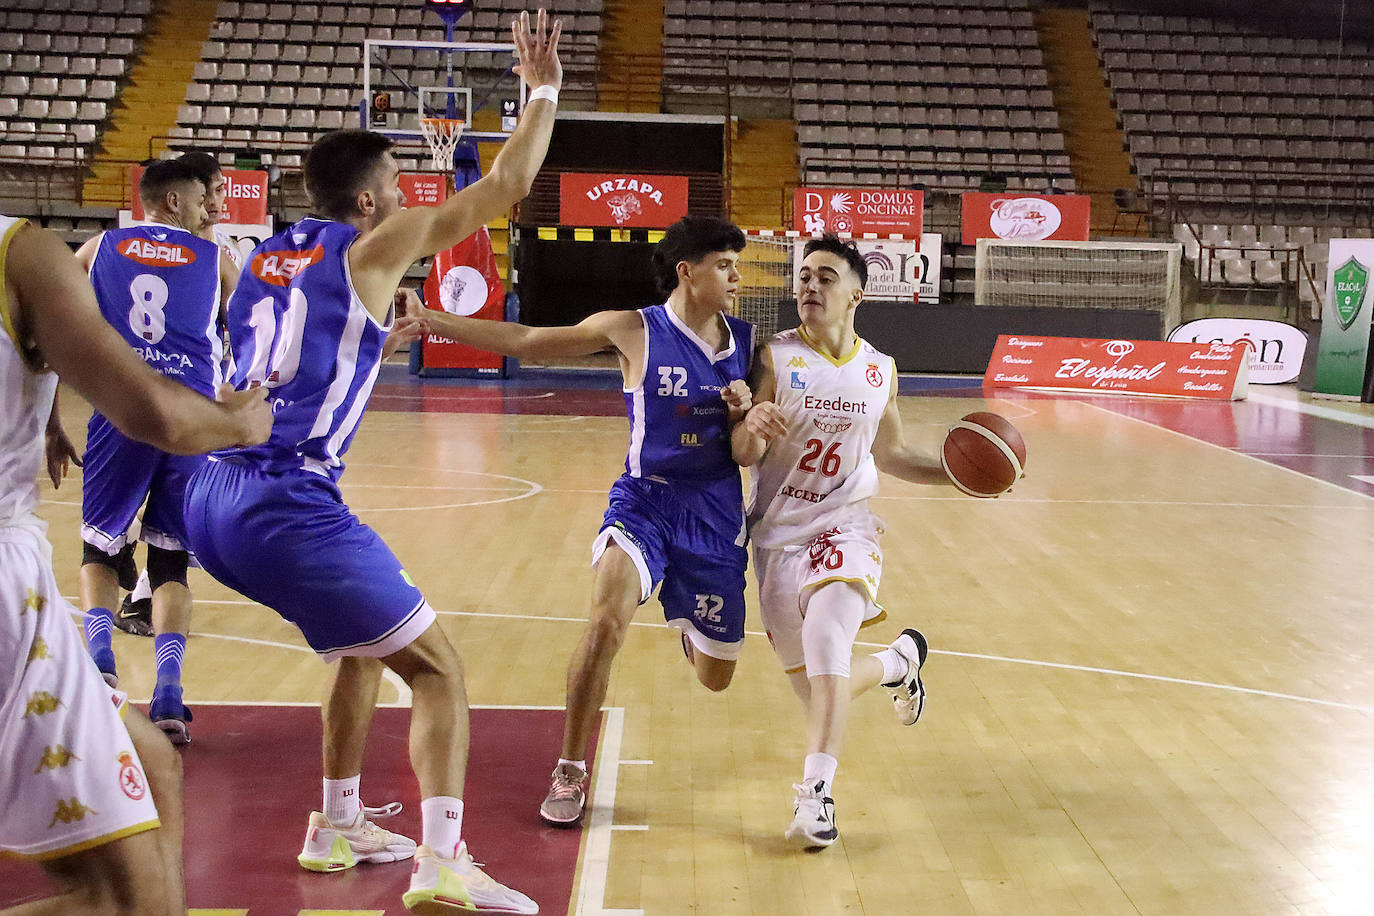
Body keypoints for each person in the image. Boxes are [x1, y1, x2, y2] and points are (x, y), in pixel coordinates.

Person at [179, 10, 561, 914]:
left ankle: (336, 824)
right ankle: (442, 864)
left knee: (357, 648)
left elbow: (278, 355)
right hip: (284, 502)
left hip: (211, 498)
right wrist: (540, 89)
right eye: (396, 183)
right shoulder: (372, 245)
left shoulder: (268, 254)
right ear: (365, 204)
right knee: (437, 669)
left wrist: (363, 356)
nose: (407, 193)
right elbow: (505, 183)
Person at [409, 215, 755, 829]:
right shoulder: (631, 329)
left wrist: (749, 418)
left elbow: (750, 451)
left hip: (714, 513)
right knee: (603, 626)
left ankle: (686, 620)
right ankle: (570, 765)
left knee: (718, 678)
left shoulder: (751, 346)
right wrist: (433, 321)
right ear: (688, 271)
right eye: (725, 265)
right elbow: (525, 340)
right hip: (644, 502)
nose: (736, 277)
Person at [0, 217, 271, 913]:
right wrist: (242, 423)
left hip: (48, 520)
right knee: (127, 899)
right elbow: (162, 409)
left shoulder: (94, 249)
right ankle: (161, 680)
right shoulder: (25, 249)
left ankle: (104, 658)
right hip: (15, 564)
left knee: (153, 763)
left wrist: (52, 417)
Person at [732, 235, 952, 849]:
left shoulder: (880, 370)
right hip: (776, 537)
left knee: (829, 642)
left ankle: (815, 802)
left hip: (845, 525)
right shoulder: (774, 357)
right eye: (803, 277)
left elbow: (893, 454)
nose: (809, 287)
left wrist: (956, 474)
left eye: (824, 277)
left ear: (857, 292)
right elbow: (744, 453)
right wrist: (751, 425)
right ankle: (897, 664)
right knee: (822, 691)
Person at [71, 159, 237, 746]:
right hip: (189, 421)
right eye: (204, 198)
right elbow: (249, 342)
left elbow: (43, 326)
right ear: (171, 202)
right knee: (168, 563)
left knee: (98, 547)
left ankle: (100, 671)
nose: (213, 206)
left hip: (122, 410)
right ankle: (168, 697)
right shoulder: (217, 261)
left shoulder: (100, 246)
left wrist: (46, 422)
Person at [115, 149, 241, 638]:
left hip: (190, 394)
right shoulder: (196, 251)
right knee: (185, 510)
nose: (220, 199)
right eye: (214, 190)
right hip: (184, 396)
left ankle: (137, 580)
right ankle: (135, 579)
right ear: (192, 195)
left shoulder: (214, 246)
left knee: (185, 508)